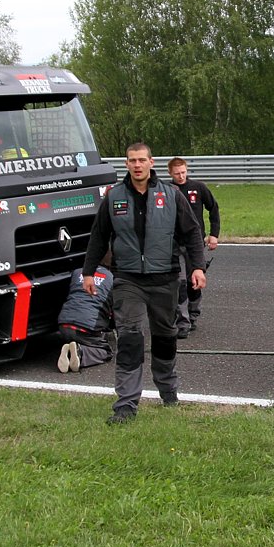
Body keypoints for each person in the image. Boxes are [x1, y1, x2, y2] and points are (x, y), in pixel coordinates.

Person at [81, 142, 207, 424]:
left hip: (165, 279)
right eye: (131, 161)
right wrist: (88, 272)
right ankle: (126, 405)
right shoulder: (114, 198)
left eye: (141, 160)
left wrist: (197, 267)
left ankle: (168, 389)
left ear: (151, 163)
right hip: (128, 280)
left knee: (165, 337)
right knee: (130, 337)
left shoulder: (171, 195)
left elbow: (192, 233)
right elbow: (98, 237)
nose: (137, 165)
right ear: (126, 164)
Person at [167, 156, 220, 337]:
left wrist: (214, 234)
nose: (180, 176)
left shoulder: (198, 187)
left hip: (195, 242)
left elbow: (213, 208)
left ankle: (193, 313)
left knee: (193, 282)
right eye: (177, 174)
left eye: (183, 172)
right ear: (170, 173)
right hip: (173, 244)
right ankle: (182, 321)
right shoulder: (167, 190)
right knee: (179, 282)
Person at [53, 265, 114, 374]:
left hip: (63, 324)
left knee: (75, 336)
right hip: (85, 328)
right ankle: (80, 353)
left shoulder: (76, 272)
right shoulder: (112, 278)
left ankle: (70, 349)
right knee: (106, 351)